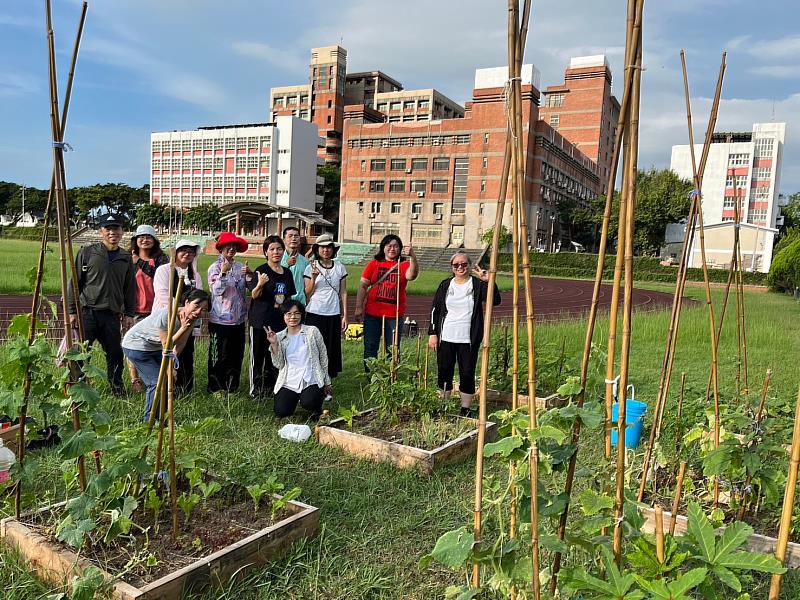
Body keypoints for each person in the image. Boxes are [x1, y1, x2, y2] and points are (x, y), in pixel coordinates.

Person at [67, 212, 136, 396]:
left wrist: (129, 313)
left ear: (122, 231)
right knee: (82, 354)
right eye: (108, 228)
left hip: (111, 315)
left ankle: (117, 388)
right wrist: (73, 311)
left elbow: (130, 287)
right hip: (88, 312)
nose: (113, 232)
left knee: (115, 354)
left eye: (117, 228)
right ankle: (77, 390)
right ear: (101, 231)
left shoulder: (125, 257)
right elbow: (75, 282)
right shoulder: (88, 252)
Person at [427, 251, 501, 416]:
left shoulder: (477, 285)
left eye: (463, 264)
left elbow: (495, 300)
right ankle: (442, 407)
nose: (460, 267)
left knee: (467, 372)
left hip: (468, 338)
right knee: (444, 370)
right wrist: (433, 333)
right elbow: (435, 310)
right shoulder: (445, 285)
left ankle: (465, 408)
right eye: (456, 265)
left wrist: (489, 281)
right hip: (446, 336)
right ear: (452, 268)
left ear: (469, 266)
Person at [122, 289, 210, 422]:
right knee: (156, 382)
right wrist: (182, 328)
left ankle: (161, 417)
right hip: (136, 345)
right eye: (196, 306)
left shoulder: (191, 320)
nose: (198, 312)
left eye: (203, 310)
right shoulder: (168, 315)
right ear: (186, 302)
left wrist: (172, 367)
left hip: (154, 347)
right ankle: (149, 421)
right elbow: (166, 344)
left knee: (167, 379)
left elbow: (180, 344)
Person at [354, 234, 418, 367]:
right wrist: (358, 307)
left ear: (400, 249)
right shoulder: (374, 264)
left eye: (396, 246)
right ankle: (371, 377)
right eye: (389, 246)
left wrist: (412, 256)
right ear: (383, 248)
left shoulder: (404, 264)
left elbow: (412, 275)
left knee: (393, 349)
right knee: (370, 347)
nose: (392, 249)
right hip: (373, 314)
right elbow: (363, 286)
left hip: (394, 315)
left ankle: (390, 378)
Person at [266, 300, 332, 419]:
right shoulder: (279, 336)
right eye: (289, 314)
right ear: (284, 316)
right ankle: (295, 399)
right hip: (290, 379)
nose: (293, 317)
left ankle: (315, 406)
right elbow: (279, 364)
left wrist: (327, 381)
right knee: (281, 411)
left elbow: (323, 356)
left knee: (309, 402)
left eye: (297, 313)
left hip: (310, 377)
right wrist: (274, 344)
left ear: (302, 315)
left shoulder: (312, 331)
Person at [248, 235, 296, 399]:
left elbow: (288, 298)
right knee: (258, 355)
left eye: (279, 249)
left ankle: (271, 386)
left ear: (283, 251)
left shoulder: (287, 273)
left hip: (279, 321)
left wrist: (290, 317)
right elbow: (254, 295)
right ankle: (255, 389)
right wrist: (260, 283)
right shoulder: (260, 271)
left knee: (275, 355)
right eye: (272, 249)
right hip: (260, 320)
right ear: (266, 252)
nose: (276, 252)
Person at [153, 239, 203, 393]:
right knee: (167, 350)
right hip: (167, 318)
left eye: (191, 251)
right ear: (176, 252)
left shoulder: (195, 275)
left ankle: (185, 387)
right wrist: (181, 309)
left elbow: (199, 296)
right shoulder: (164, 270)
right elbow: (162, 294)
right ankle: (165, 386)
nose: (187, 254)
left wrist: (189, 313)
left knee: (186, 352)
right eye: (184, 250)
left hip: (188, 319)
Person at [207, 232, 252, 394]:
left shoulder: (241, 266)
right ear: (221, 248)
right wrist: (224, 273)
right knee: (218, 355)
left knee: (236, 354)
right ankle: (216, 388)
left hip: (238, 320)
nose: (231, 249)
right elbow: (216, 290)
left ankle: (232, 386)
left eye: (234, 247)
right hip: (220, 320)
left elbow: (250, 287)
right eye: (228, 246)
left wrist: (250, 274)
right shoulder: (215, 267)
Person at [127, 225, 169, 392]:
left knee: (156, 345)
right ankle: (135, 379)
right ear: (135, 240)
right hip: (135, 308)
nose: (145, 240)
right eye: (141, 237)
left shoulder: (161, 259)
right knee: (133, 344)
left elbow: (159, 276)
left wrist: (140, 263)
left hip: (155, 309)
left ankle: (156, 378)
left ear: (155, 240)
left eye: (149, 237)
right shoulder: (128, 258)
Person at [303, 233, 347, 379]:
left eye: (329, 247)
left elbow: (343, 292)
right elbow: (307, 293)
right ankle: (313, 379)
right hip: (315, 312)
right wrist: (314, 277)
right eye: (322, 247)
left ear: (333, 249)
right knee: (313, 347)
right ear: (317, 249)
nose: (326, 250)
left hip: (333, 313)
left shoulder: (340, 267)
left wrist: (345, 315)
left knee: (330, 349)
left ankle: (327, 382)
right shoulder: (311, 267)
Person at [281, 226, 309, 305]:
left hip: (299, 302)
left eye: (296, 236)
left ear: (299, 240)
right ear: (284, 240)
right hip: (282, 302)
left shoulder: (305, 262)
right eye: (290, 236)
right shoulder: (277, 259)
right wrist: (287, 264)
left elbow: (307, 285)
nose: (293, 238)